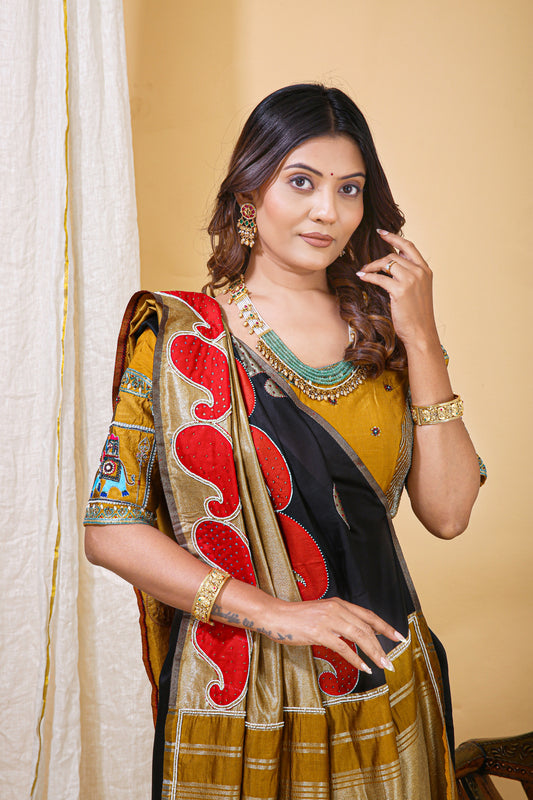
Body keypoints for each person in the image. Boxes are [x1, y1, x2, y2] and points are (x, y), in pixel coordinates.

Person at [84, 84, 485, 799]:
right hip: (239, 693)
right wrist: (271, 611)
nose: (327, 211)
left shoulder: (387, 337)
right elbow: (111, 529)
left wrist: (421, 335)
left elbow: (449, 513)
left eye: (349, 189)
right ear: (249, 195)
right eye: (300, 182)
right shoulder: (179, 338)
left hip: (383, 676)